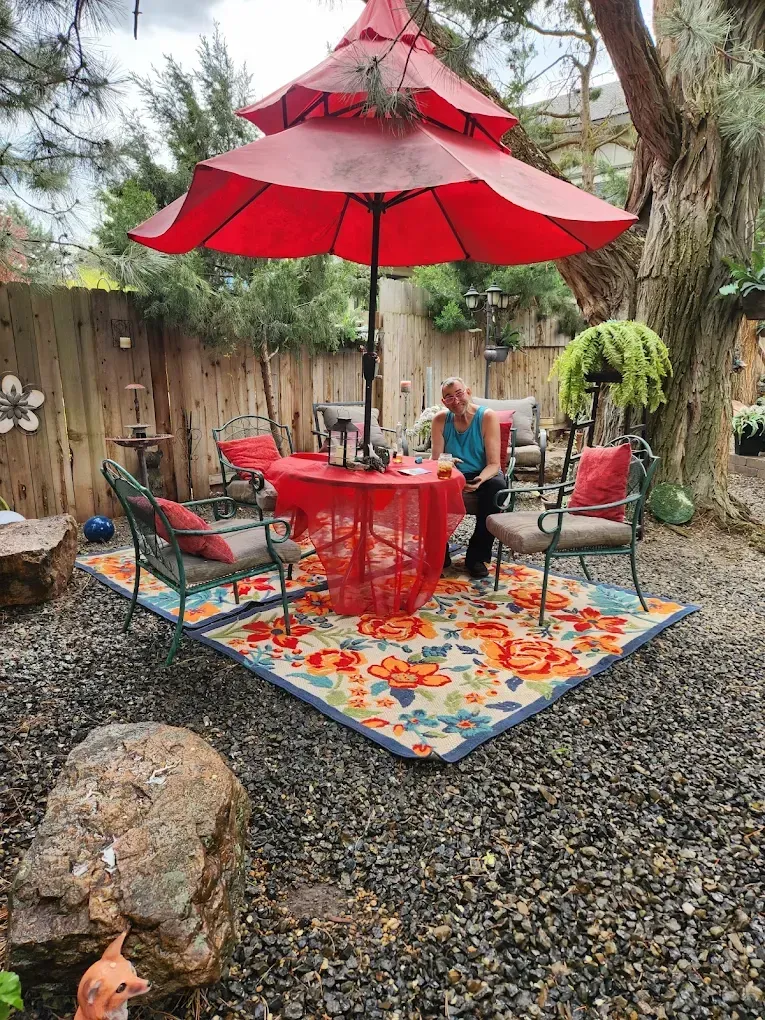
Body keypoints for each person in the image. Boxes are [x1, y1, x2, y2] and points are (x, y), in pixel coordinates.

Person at [431, 377, 505, 578]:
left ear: (468, 392)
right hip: (453, 473)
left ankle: (476, 557)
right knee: (429, 489)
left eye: (459, 394)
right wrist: (448, 464)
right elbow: (436, 460)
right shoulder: (439, 420)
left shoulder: (487, 417)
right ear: (443, 402)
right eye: (448, 398)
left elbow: (493, 464)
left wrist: (479, 480)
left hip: (483, 473)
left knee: (496, 487)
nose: (455, 400)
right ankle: (439, 553)